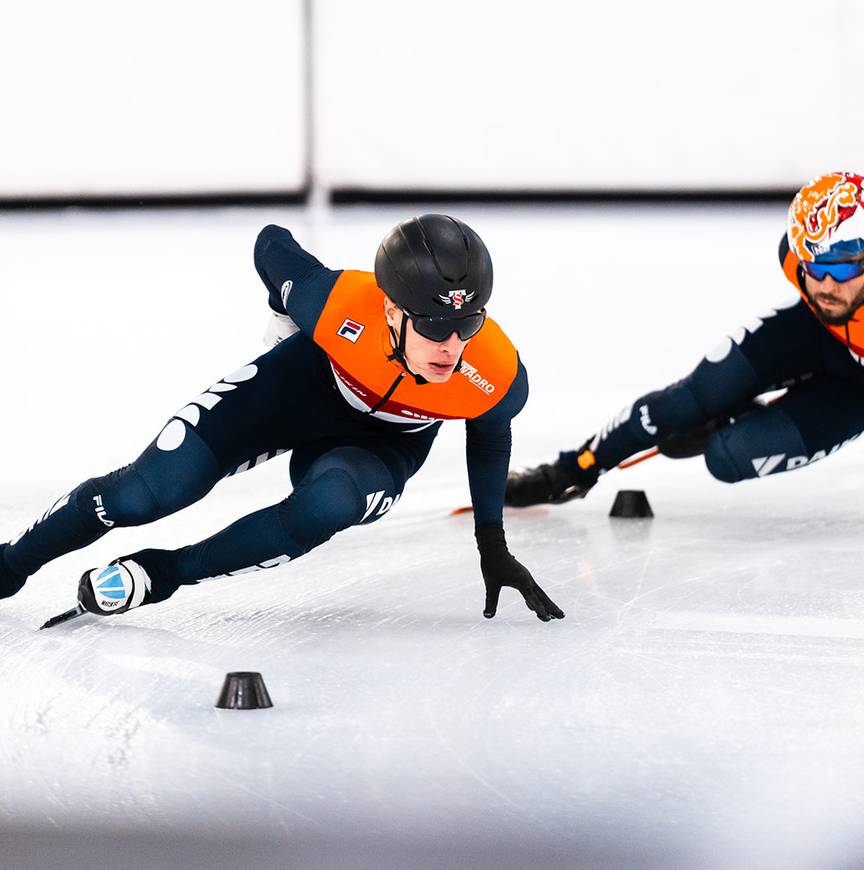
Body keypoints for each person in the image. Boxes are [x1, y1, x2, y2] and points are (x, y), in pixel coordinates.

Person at [0, 215, 564, 623]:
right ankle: (11, 564)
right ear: (390, 310)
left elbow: (490, 438)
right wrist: (282, 311)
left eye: (468, 325)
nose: (453, 347)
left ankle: (161, 574)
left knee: (330, 504)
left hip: (375, 451)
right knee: (141, 496)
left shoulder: (495, 372)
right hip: (297, 390)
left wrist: (492, 542)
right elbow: (271, 244)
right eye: (436, 327)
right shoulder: (334, 302)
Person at [506, 171, 864, 507]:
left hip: (855, 394)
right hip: (819, 333)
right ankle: (570, 472)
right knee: (685, 402)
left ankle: (735, 423)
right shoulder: (793, 259)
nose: (827, 285)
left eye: (844, 266)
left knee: (727, 457)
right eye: (815, 267)